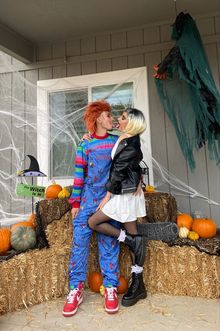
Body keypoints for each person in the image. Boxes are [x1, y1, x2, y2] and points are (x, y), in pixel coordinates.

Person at [62, 100, 121, 317]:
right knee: (79, 243)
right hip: (88, 199)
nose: (111, 119)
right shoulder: (84, 144)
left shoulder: (117, 142)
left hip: (109, 200)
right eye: (107, 115)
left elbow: (127, 161)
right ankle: (75, 289)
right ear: (97, 118)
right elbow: (79, 175)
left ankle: (111, 288)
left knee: (109, 243)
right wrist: (75, 203)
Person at [88, 108, 148, 307]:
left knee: (94, 221)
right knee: (135, 238)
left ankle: (137, 282)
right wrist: (88, 135)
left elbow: (119, 171)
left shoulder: (131, 143)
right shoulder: (125, 137)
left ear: (129, 122)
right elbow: (135, 164)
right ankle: (131, 242)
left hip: (124, 194)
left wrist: (106, 197)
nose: (118, 119)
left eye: (122, 118)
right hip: (127, 191)